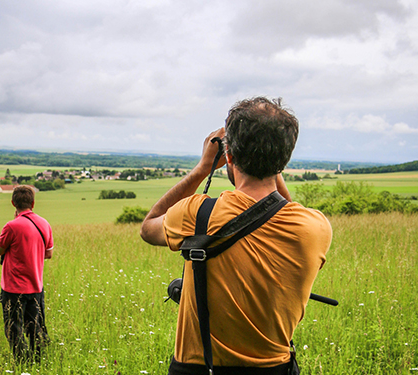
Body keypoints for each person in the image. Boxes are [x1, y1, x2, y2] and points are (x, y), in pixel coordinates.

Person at [140, 97, 332, 374]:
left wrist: (203, 168)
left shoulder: (196, 214)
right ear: (285, 160)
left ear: (228, 156)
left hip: (198, 367)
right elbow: (283, 207)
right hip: (275, 369)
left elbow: (148, 228)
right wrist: (270, 163)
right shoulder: (314, 227)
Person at [0, 185, 54, 362]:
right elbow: (49, 253)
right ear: (33, 203)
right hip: (36, 285)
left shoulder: (11, 226)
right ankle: (38, 361)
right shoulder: (44, 223)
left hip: (13, 288)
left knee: (14, 329)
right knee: (36, 327)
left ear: (13, 203)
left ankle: (22, 363)